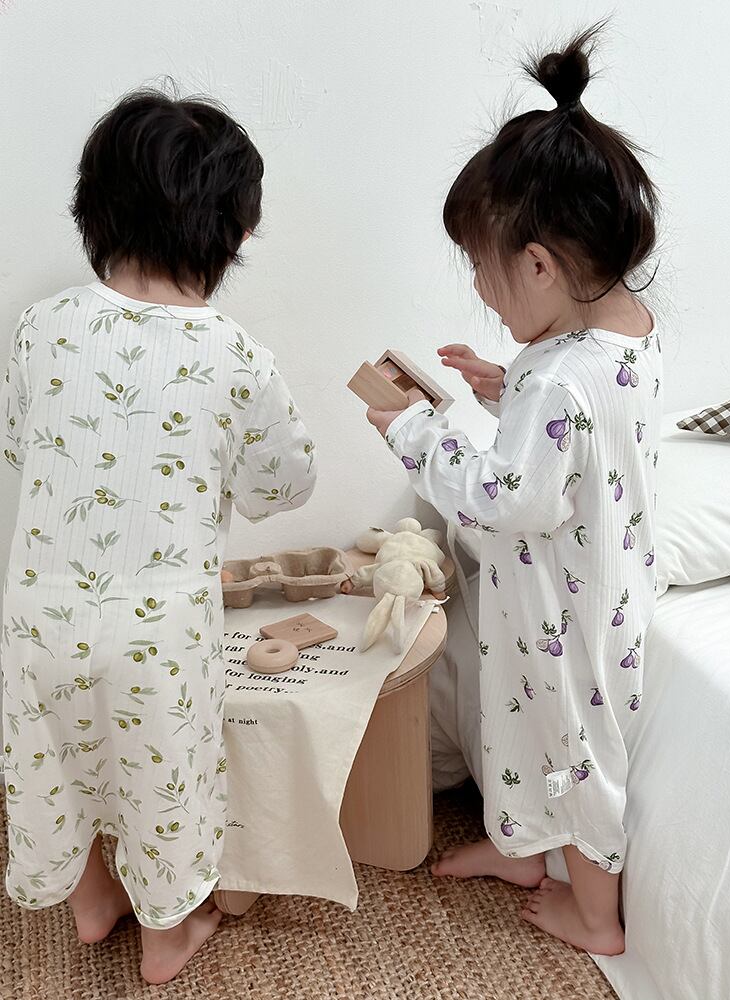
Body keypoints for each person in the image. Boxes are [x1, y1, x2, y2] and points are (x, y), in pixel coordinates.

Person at [0, 90, 315, 984]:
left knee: (53, 764)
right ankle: (166, 938)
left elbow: (20, 444)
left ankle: (91, 898)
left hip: (39, 617)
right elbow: (285, 484)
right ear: (233, 234)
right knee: (162, 778)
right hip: (160, 633)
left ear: (92, 209)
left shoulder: (41, 327)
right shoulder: (236, 356)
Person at [365, 25, 661, 955]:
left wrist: (416, 433)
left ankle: (596, 915)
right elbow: (584, 432)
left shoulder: (560, 377)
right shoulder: (620, 333)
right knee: (521, 731)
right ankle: (524, 849)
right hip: (582, 593)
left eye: (485, 274)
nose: (485, 295)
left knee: (574, 751)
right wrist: (508, 389)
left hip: (568, 611)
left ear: (538, 264)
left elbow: (508, 499)